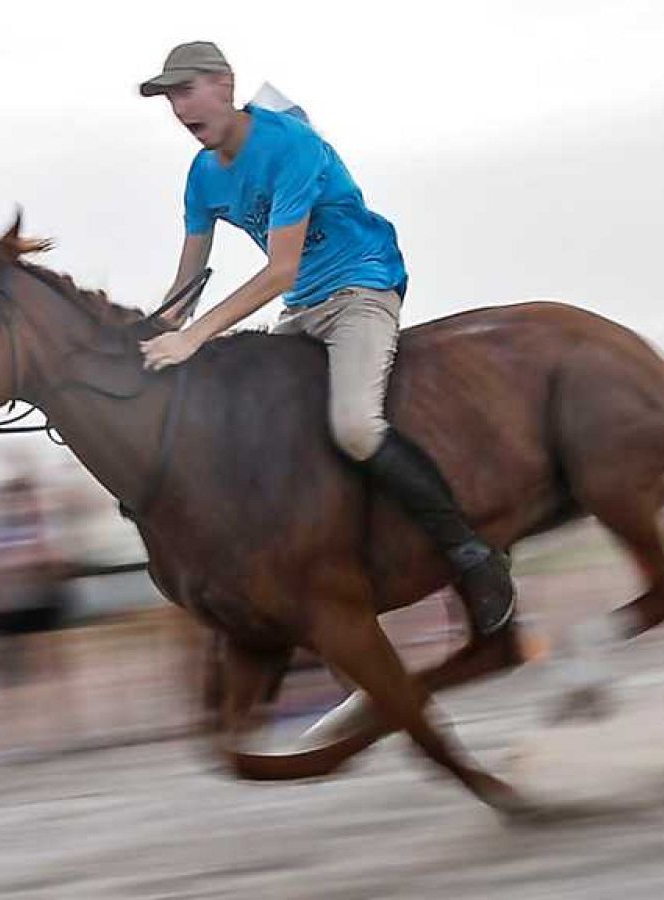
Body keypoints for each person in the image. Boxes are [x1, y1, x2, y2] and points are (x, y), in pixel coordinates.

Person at [135, 41, 515, 635]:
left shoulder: (290, 146)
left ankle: (471, 553)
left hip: (362, 289)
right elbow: (187, 288)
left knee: (355, 427)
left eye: (185, 91)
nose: (179, 109)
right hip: (302, 309)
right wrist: (151, 336)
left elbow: (281, 268)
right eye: (169, 99)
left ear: (224, 85)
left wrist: (195, 338)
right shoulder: (202, 175)